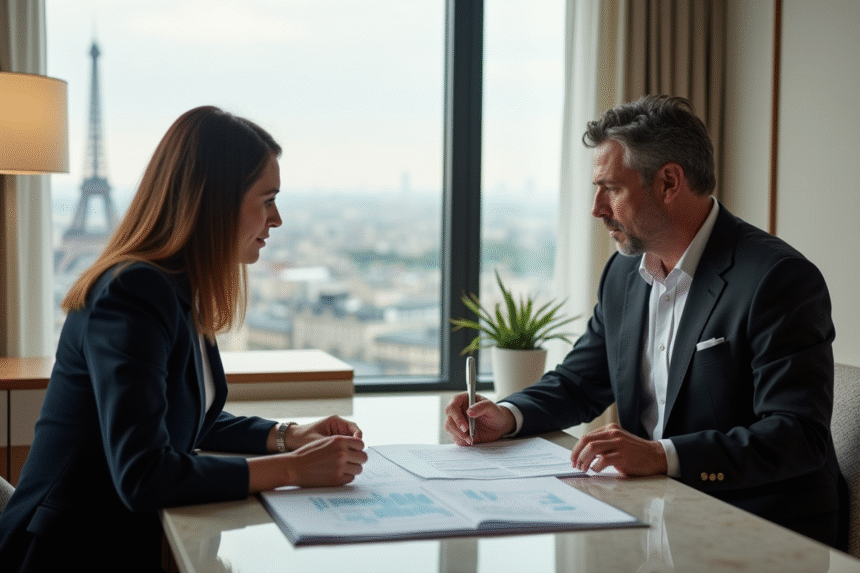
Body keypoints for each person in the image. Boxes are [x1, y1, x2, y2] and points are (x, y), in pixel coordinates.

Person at [445, 95, 846, 548]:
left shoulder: (777, 279)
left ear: (669, 182)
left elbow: (798, 436)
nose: (596, 208)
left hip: (760, 528)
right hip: (652, 515)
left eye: (611, 189)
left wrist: (661, 455)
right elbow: (581, 382)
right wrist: (507, 415)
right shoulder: (623, 273)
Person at [0, 106, 367, 572]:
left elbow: (182, 419)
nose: (276, 219)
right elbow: (143, 473)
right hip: (64, 552)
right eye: (267, 198)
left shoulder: (178, 288)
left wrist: (287, 437)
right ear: (216, 201)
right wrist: (294, 471)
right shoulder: (132, 291)